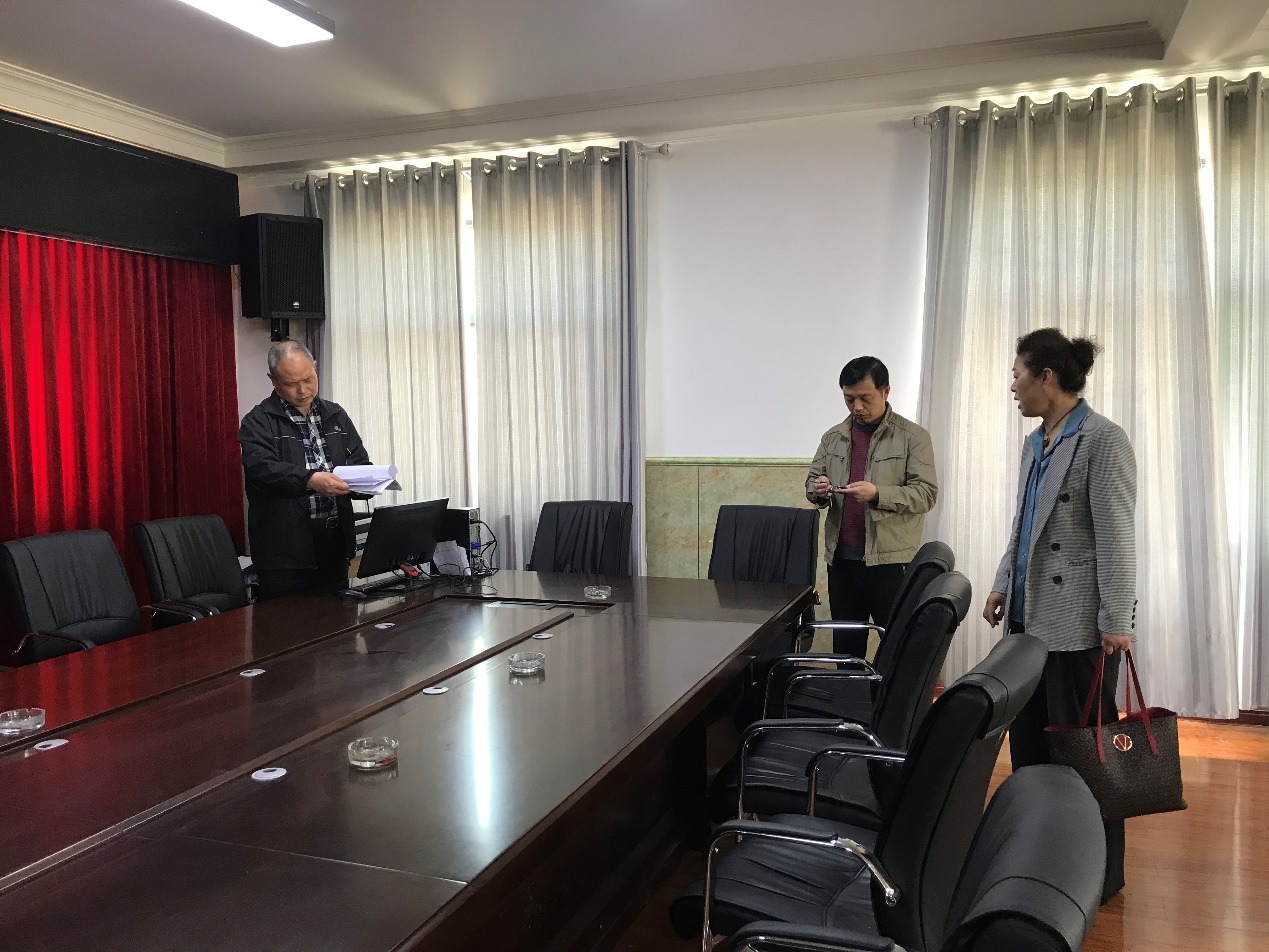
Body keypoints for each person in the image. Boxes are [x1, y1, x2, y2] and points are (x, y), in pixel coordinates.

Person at [982, 327, 1136, 904]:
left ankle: (1098, 874)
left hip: (1078, 630)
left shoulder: (1103, 440)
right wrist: (1003, 583)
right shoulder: (1036, 442)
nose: (1012, 386)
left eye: (1017, 374)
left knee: (1085, 758)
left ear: (1046, 377)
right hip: (1028, 622)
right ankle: (1037, 861)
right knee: (1029, 752)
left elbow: (1118, 538)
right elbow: (1023, 525)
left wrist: (1117, 619)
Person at [805, 357, 938, 657]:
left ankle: (887, 691)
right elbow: (812, 482)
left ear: (885, 391)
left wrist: (878, 494)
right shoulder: (833, 437)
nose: (857, 407)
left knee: (897, 648)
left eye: (865, 398)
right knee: (846, 649)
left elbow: (926, 494)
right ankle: (849, 689)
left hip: (890, 562)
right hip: (841, 561)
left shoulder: (913, 437)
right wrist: (819, 490)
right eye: (849, 398)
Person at [238, 340, 371, 600]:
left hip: (334, 544)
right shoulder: (258, 421)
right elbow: (263, 470)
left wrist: (368, 483)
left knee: (338, 619)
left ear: (315, 367)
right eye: (291, 383)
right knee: (290, 622)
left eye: (308, 379)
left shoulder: (336, 415)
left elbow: (358, 461)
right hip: (284, 552)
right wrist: (310, 480)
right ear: (273, 379)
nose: (302, 390)